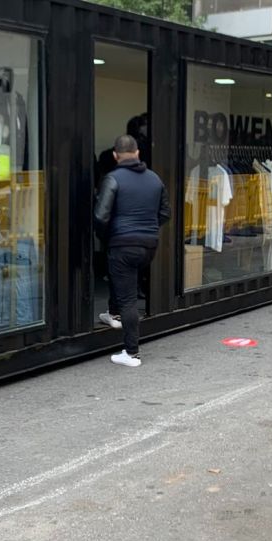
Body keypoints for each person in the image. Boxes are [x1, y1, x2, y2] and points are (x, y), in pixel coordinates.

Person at [94, 134, 171, 367]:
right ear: (137, 153)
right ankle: (112, 313)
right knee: (123, 280)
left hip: (123, 243)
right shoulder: (155, 179)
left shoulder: (112, 179)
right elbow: (165, 213)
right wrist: (147, 228)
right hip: (149, 245)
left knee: (128, 298)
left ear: (115, 156)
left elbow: (100, 216)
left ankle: (131, 353)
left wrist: (107, 235)